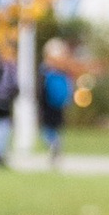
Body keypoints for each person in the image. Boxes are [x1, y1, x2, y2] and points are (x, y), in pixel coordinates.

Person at [37, 36, 76, 167]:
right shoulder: (62, 71)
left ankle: (54, 145)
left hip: (49, 103)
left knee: (49, 127)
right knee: (54, 127)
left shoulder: (47, 70)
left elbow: (41, 88)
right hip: (56, 103)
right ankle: (55, 145)